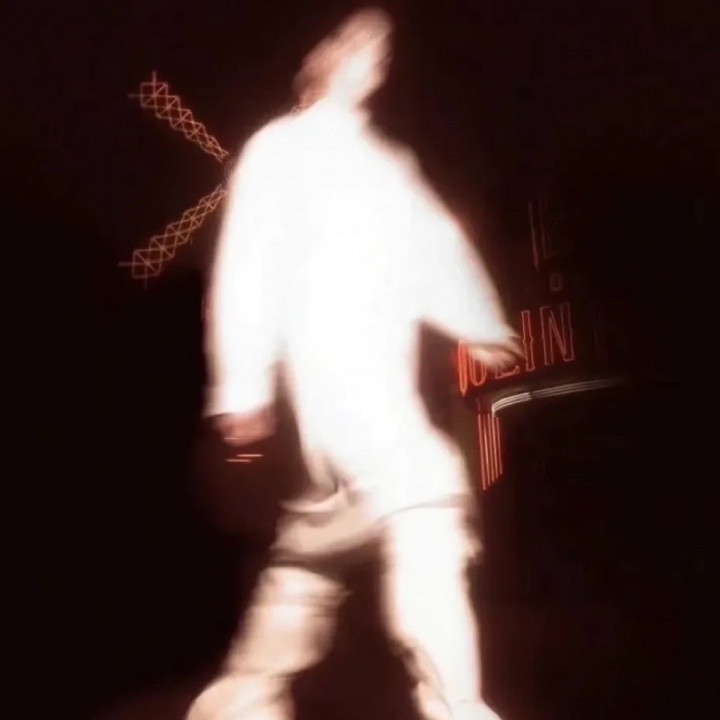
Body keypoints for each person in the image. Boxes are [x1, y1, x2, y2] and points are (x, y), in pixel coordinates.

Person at [188, 8, 522, 720]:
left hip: (376, 379)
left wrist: (478, 321)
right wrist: (242, 385)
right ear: (324, 58)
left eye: (381, 49)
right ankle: (458, 705)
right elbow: (247, 266)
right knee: (424, 498)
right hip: (328, 377)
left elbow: (435, 246)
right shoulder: (278, 150)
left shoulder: (385, 164)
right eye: (359, 45)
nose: (377, 58)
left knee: (315, 547)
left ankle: (241, 701)